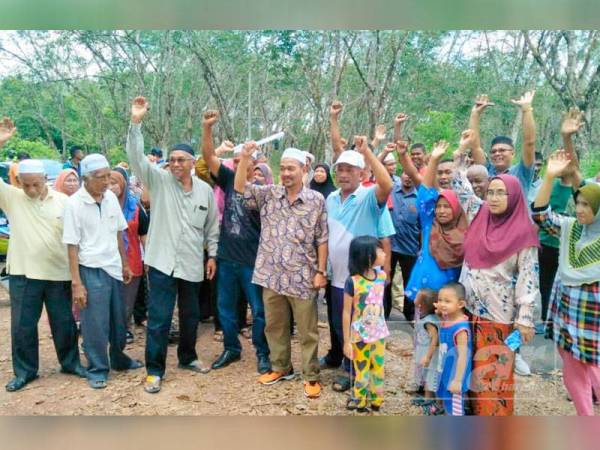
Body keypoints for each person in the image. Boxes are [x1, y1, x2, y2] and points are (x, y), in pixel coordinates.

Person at [126, 97, 219, 394]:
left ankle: (187, 357)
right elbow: (137, 159)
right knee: (160, 319)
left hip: (192, 264)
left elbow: (212, 227)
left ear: (193, 164)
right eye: (173, 160)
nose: (176, 164)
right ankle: (155, 370)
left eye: (182, 160)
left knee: (191, 317)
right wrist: (136, 123)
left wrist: (213, 255)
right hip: (163, 263)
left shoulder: (205, 191)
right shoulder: (160, 181)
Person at [234, 143, 328, 399]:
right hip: (272, 275)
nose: (286, 173)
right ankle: (280, 367)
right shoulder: (269, 194)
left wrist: (321, 271)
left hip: (303, 276)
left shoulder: (316, 200)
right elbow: (240, 187)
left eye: (291, 168)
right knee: (274, 326)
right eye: (283, 168)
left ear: (303, 169)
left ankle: (311, 375)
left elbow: (322, 238)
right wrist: (244, 158)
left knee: (307, 330)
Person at [0, 117, 84, 392]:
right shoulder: (12, 198)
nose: (31, 190)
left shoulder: (64, 201)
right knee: (23, 326)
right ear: (19, 182)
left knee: (64, 322)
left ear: (45, 180)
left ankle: (70, 363)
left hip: (58, 272)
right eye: (26, 185)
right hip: (24, 273)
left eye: (36, 184)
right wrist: (1, 141)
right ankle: (25, 372)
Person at [457, 169, 539, 415]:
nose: (493, 198)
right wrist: (460, 153)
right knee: (472, 369)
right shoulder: (480, 214)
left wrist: (524, 319)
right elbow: (461, 189)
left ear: (513, 197)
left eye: (501, 193)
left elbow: (528, 279)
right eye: (491, 192)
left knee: (493, 374)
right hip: (470, 309)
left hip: (498, 317)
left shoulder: (524, 233)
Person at [63, 154, 143, 389]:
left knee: (119, 319)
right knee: (95, 322)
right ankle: (98, 367)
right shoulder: (74, 204)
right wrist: (76, 282)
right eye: (101, 177)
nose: (107, 181)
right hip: (91, 269)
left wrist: (125, 263)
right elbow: (72, 245)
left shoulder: (109, 198)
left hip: (114, 268)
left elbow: (119, 231)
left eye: (109, 175)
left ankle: (118, 358)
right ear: (85, 178)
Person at [201, 110, 270, 374]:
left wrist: (248, 157)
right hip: (227, 257)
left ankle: (263, 352)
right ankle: (231, 348)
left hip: (252, 261)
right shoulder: (228, 180)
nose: (243, 165)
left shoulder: (265, 192)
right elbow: (208, 157)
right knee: (225, 307)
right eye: (239, 161)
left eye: (249, 163)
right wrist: (207, 129)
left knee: (259, 310)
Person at [532, 150, 600, 416]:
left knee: (593, 365)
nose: (581, 210)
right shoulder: (570, 228)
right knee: (570, 365)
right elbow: (540, 215)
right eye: (579, 203)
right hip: (564, 309)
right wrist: (549, 176)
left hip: (592, 316)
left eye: (588, 205)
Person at [324, 137, 394, 393]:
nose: (343, 174)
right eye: (339, 169)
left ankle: (357, 372)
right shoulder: (331, 198)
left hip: (362, 279)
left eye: (349, 170)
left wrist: (367, 151)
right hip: (336, 277)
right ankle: (348, 363)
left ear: (362, 173)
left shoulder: (368, 196)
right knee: (340, 323)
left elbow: (386, 184)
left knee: (362, 326)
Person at [404, 141, 468, 303]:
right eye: (439, 207)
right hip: (424, 294)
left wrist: (461, 149)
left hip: (451, 298)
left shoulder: (467, 224)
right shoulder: (430, 221)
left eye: (447, 207)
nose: (442, 211)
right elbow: (425, 194)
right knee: (423, 328)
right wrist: (433, 160)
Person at [342, 236, 389, 412]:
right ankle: (360, 401)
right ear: (367, 256)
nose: (384, 253)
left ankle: (377, 400)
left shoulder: (382, 276)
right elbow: (347, 312)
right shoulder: (352, 281)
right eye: (379, 251)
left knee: (378, 367)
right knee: (361, 369)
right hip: (359, 335)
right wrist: (347, 341)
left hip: (378, 333)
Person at [469, 92, 537, 199]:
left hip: (516, 216)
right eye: (493, 151)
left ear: (512, 153)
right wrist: (475, 114)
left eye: (502, 150)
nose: (497, 153)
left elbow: (529, 142)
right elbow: (475, 147)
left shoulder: (522, 172)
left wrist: (526, 110)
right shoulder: (487, 171)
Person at [108, 169, 149, 343]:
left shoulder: (135, 207)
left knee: (127, 301)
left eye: (115, 183)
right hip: (107, 260)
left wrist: (147, 258)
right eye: (108, 183)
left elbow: (144, 235)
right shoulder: (100, 205)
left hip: (132, 259)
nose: (111, 187)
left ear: (123, 184)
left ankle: (124, 330)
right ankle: (110, 331)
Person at [385, 143, 421, 321]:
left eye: (411, 174)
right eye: (405, 174)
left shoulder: (420, 196)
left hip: (411, 247)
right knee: (386, 280)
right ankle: (384, 312)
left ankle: (410, 314)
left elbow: (423, 225)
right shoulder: (391, 189)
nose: (407, 178)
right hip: (389, 246)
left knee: (410, 282)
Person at [435, 282, 472, 416]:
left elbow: (464, 355)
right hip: (445, 371)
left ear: (461, 304)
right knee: (446, 402)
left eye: (447, 301)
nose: (442, 304)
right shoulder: (448, 317)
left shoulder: (460, 329)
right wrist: (440, 310)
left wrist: (458, 381)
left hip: (455, 377)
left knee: (455, 410)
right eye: (439, 300)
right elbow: (440, 311)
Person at [411, 288, 440, 415]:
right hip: (424, 350)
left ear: (421, 304)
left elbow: (434, 338)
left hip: (431, 354)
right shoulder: (423, 316)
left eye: (416, 296)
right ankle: (427, 398)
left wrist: (428, 356)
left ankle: (429, 401)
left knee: (430, 377)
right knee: (426, 374)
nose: (414, 298)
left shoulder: (429, 321)